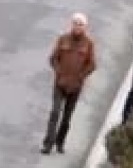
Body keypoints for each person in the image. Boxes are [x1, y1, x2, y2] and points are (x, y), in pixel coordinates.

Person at [41, 13, 96, 154]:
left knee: (67, 117)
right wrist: (59, 72)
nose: (77, 26)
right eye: (75, 23)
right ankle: (48, 144)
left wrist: (80, 77)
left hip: (75, 86)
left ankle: (60, 143)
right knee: (55, 112)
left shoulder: (89, 43)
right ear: (71, 24)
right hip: (60, 84)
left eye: (80, 24)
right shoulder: (63, 39)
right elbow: (53, 58)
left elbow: (92, 65)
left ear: (85, 27)